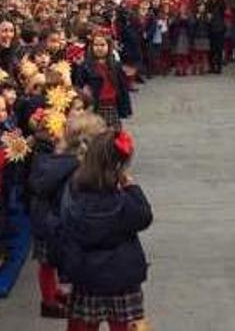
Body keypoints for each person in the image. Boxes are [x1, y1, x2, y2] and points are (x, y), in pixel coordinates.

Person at [59, 129, 152, 331]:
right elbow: (144, 216)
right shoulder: (123, 203)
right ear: (119, 166)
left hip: (86, 276)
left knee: (83, 326)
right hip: (122, 277)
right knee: (125, 326)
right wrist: (132, 187)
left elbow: (65, 228)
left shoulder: (74, 194)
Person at [29, 112, 107, 319]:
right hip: (59, 223)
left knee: (45, 263)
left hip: (44, 220)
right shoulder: (78, 169)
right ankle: (52, 300)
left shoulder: (54, 160)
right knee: (56, 262)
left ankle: (49, 298)